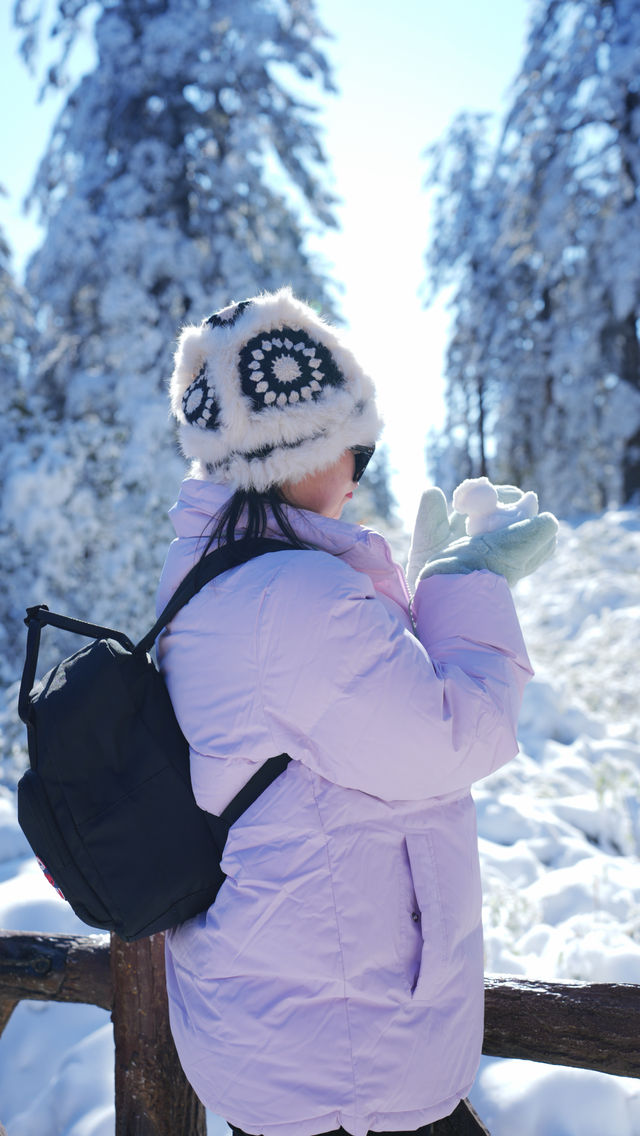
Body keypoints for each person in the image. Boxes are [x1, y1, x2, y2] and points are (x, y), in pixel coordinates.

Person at [156, 288, 556, 1136]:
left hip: (289, 1017)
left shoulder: (226, 584)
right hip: (344, 1055)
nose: (358, 476)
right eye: (359, 450)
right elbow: (453, 736)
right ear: (299, 454)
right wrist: (463, 584)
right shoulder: (291, 598)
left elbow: (345, 732)